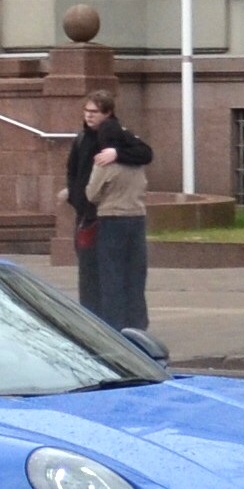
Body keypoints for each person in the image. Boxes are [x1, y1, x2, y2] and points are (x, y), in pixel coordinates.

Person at [66, 90, 150, 322]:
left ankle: (107, 322)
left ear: (108, 113)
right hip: (88, 213)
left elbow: (145, 153)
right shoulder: (82, 139)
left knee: (109, 274)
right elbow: (72, 172)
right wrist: (76, 198)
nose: (89, 116)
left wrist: (117, 153)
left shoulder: (116, 138)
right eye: (86, 111)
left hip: (105, 213)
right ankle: (97, 320)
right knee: (90, 272)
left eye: (94, 112)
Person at [85, 117, 152, 335]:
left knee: (111, 275)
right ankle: (138, 323)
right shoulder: (137, 162)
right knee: (135, 274)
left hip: (111, 218)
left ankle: (114, 325)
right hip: (137, 217)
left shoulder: (104, 163)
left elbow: (92, 194)